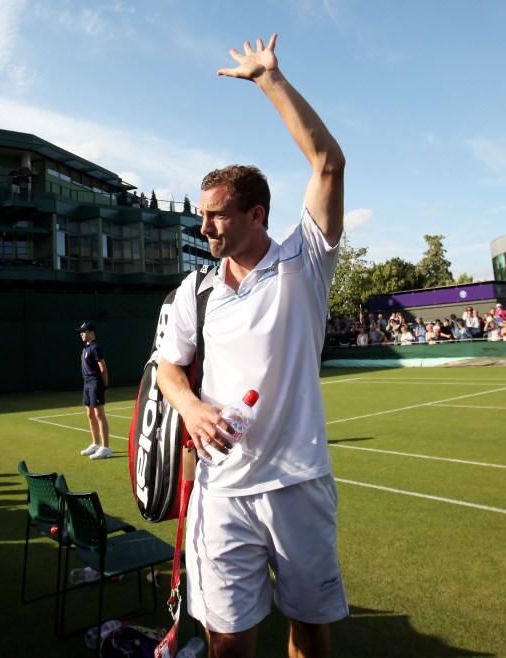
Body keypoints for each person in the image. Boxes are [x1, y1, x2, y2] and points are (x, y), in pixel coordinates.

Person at [156, 34, 348, 658]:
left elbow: (328, 164)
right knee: (228, 643)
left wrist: (269, 79)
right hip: (222, 491)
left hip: (298, 484)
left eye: (217, 215)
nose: (204, 227)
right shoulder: (196, 289)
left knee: (308, 633)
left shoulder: (303, 259)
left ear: (257, 214)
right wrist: (189, 406)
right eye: (203, 216)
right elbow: (166, 368)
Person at [76, 321, 111, 460]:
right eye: (80, 332)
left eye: (83, 331)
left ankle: (106, 448)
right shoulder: (85, 349)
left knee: (99, 414)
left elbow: (103, 369)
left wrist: (105, 385)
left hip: (95, 382)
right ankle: (96, 444)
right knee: (90, 414)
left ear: (91, 332)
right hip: (86, 382)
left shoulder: (96, 347)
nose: (81, 334)